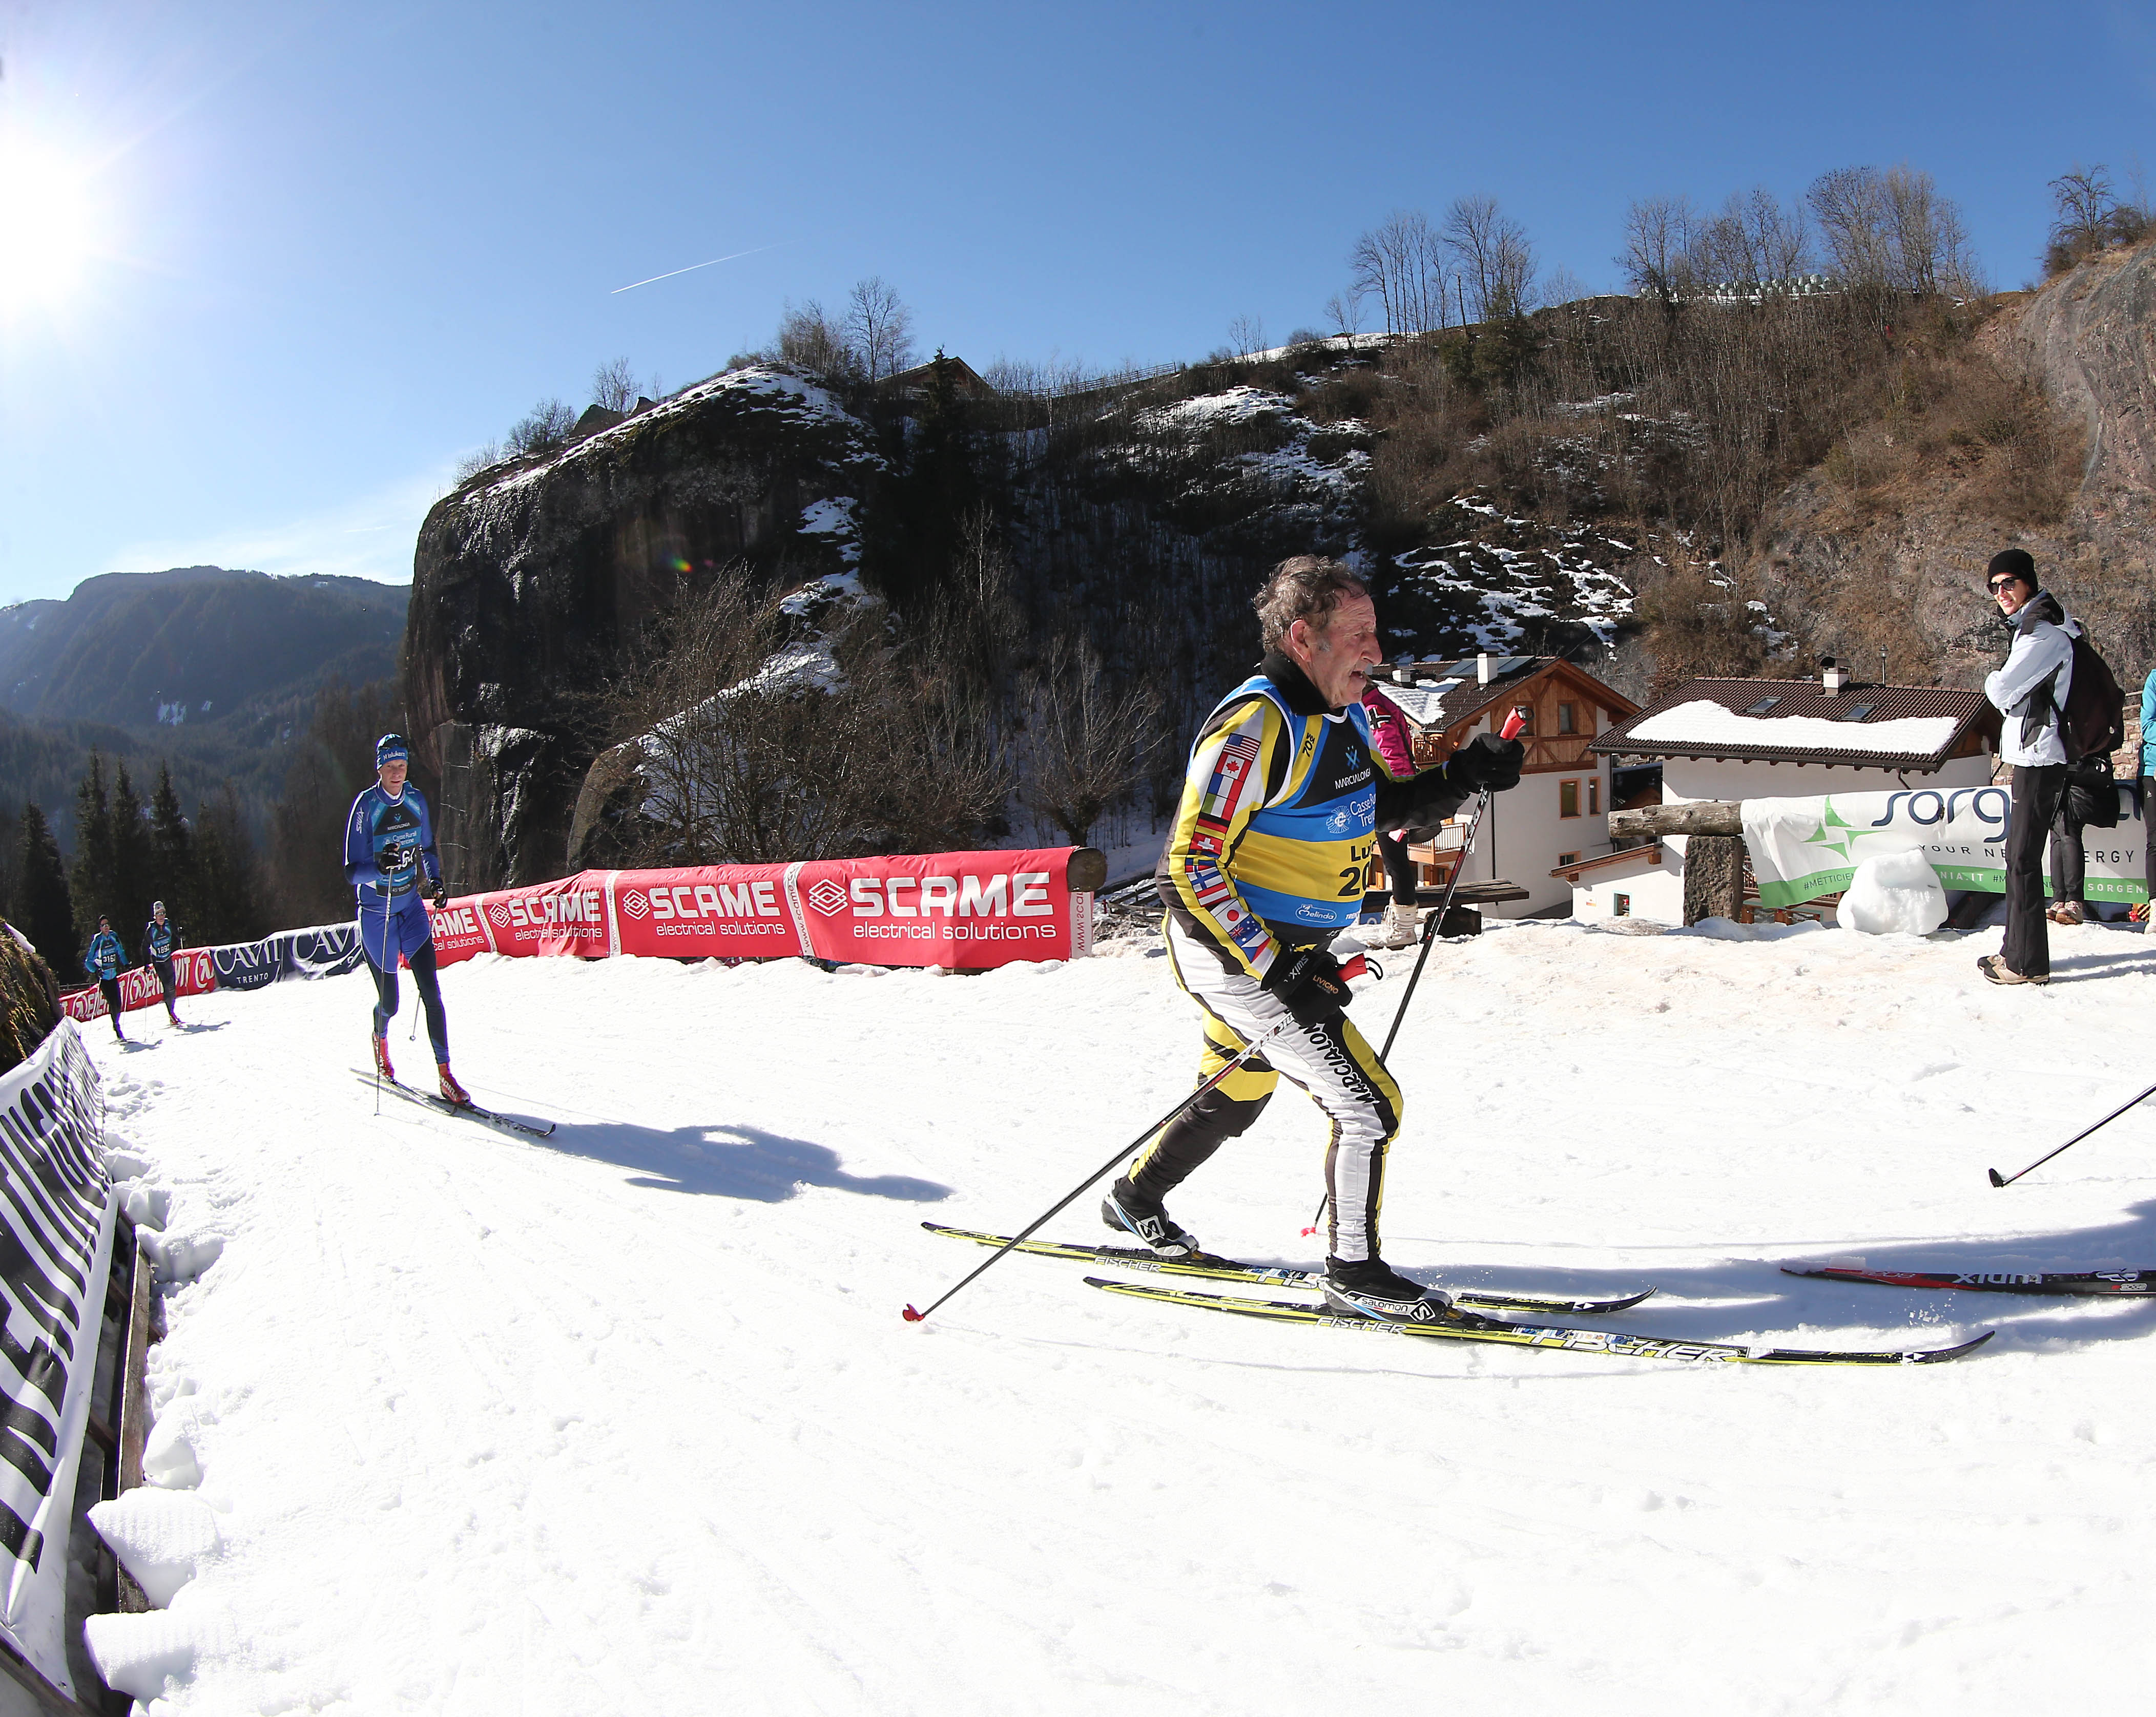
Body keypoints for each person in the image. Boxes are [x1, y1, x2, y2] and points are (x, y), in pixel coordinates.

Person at [1114, 555, 1524, 1324]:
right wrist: (1280, 972)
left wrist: (1471, 772)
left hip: (1288, 956)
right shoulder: (1255, 726)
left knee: (1239, 1087)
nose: (1377, 650)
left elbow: (1376, 807)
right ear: (1304, 638)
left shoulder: (1344, 717)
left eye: (1376, 631)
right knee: (1371, 1106)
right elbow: (1187, 868)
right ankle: (1353, 1271)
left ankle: (1132, 1199)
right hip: (1239, 957)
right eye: (1358, 634)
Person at [345, 733, 467, 1102]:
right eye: (390, 766)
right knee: (392, 1004)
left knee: (432, 992)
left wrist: (436, 881)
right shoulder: (366, 807)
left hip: (410, 905)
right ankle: (380, 1037)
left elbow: (427, 847)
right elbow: (352, 872)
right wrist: (377, 866)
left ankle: (446, 1075)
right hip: (377, 913)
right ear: (379, 767)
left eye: (402, 766)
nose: (397, 773)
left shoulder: (415, 799)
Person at [1980, 549, 2078, 985]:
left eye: (2009, 583)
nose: (2001, 593)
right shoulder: (2033, 630)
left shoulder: (2043, 637)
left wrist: (1993, 678)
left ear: (2028, 584)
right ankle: (2014, 952)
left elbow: (2001, 692)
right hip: (2033, 756)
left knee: (2021, 859)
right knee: (2018, 859)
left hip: (2039, 757)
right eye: (1994, 586)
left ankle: (2027, 964)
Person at [1361, 679, 1424, 949]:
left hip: (1392, 796)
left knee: (1396, 863)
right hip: (1400, 791)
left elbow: (1389, 752)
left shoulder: (1372, 710)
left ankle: (1404, 930)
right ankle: (1402, 923)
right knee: (1396, 861)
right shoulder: (1383, 704)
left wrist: (1389, 790)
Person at [82, 915, 127, 1042]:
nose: (106, 927)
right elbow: (88, 961)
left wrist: (126, 963)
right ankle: (117, 1028)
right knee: (112, 1003)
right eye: (103, 925)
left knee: (119, 1004)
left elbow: (121, 951)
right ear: (100, 928)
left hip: (113, 976)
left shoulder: (114, 936)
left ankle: (116, 1022)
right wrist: (96, 971)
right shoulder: (98, 940)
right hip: (104, 978)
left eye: (107, 924)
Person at [142, 901, 182, 1027]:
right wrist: (146, 963)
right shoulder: (151, 929)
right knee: (167, 987)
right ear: (155, 915)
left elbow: (177, 934)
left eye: (163, 913)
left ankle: (172, 1012)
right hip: (158, 962)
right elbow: (144, 946)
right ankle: (171, 1014)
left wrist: (182, 935)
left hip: (167, 959)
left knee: (173, 988)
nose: (161, 916)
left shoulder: (169, 924)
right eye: (159, 914)